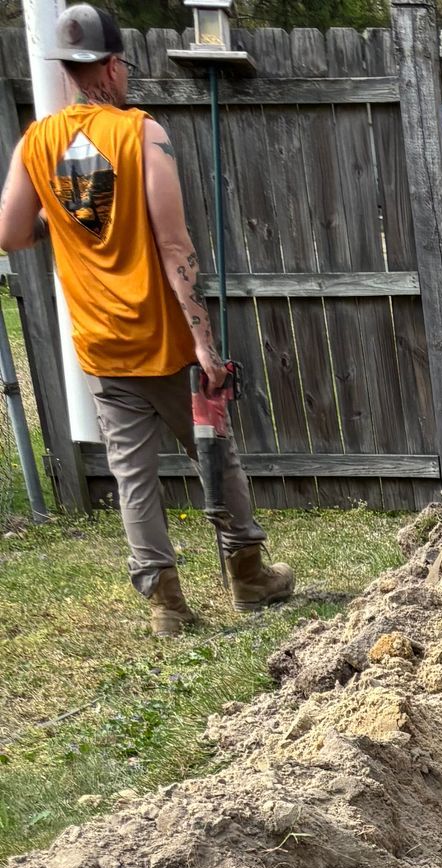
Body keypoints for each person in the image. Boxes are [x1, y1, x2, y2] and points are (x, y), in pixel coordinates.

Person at [0, 3, 294, 638]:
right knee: (216, 459)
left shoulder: (36, 141)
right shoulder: (141, 133)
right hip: (166, 344)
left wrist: (61, 217)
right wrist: (204, 343)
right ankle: (248, 578)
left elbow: (11, 233)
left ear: (68, 69)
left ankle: (166, 606)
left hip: (100, 345)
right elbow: (174, 245)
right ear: (111, 65)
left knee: (133, 477)